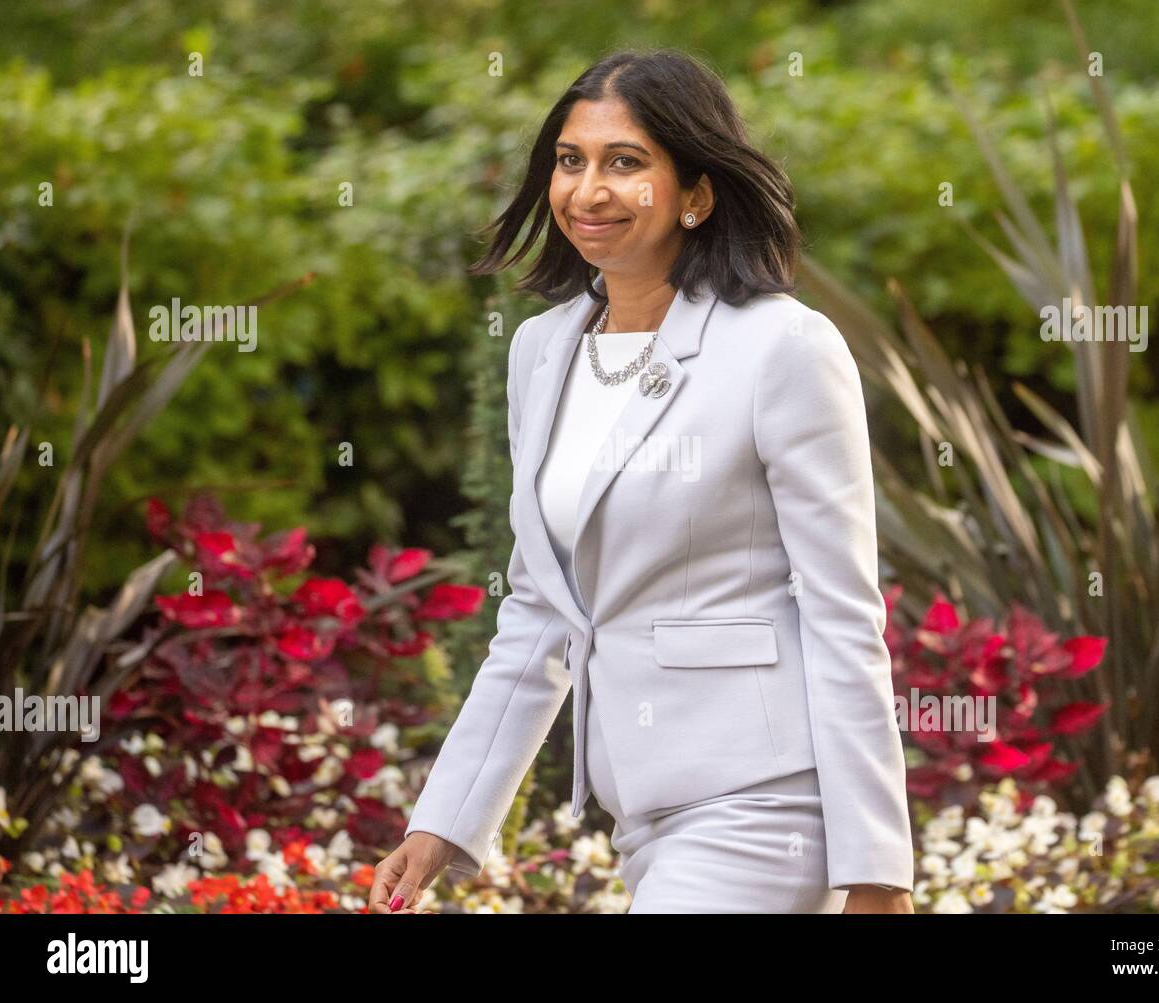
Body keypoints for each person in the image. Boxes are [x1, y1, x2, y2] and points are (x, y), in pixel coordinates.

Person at [371, 48, 914, 914]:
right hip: (640, 816)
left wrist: (877, 871)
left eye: (626, 163)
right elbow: (542, 609)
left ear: (697, 194)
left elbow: (843, 612)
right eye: (570, 160)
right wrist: (444, 820)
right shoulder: (541, 352)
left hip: (766, 804)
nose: (589, 190)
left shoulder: (783, 348)